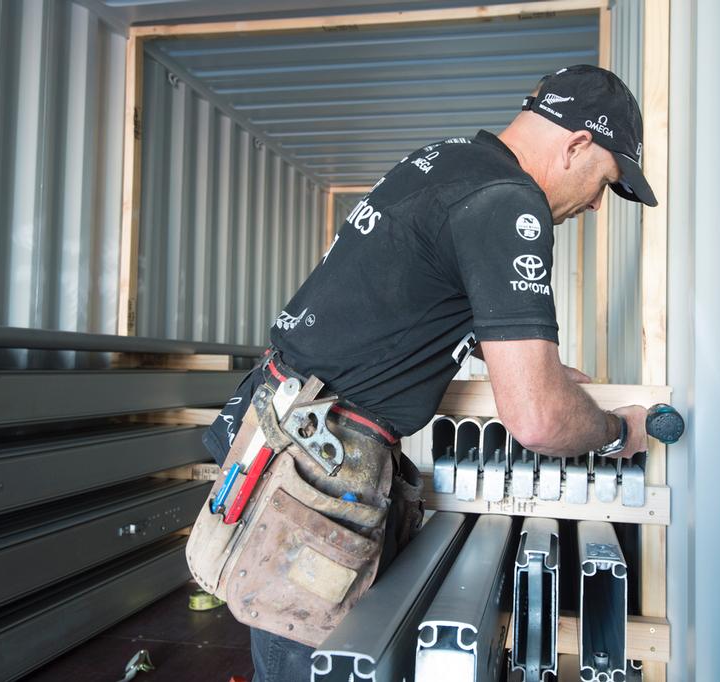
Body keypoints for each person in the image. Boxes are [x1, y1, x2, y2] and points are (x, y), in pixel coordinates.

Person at [202, 64, 659, 681]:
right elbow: (539, 421)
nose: (598, 202)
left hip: (285, 433)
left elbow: (399, 300)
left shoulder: (448, 160)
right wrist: (614, 430)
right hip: (320, 469)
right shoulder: (509, 202)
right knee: (313, 669)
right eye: (605, 181)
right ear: (577, 144)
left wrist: (518, 358)